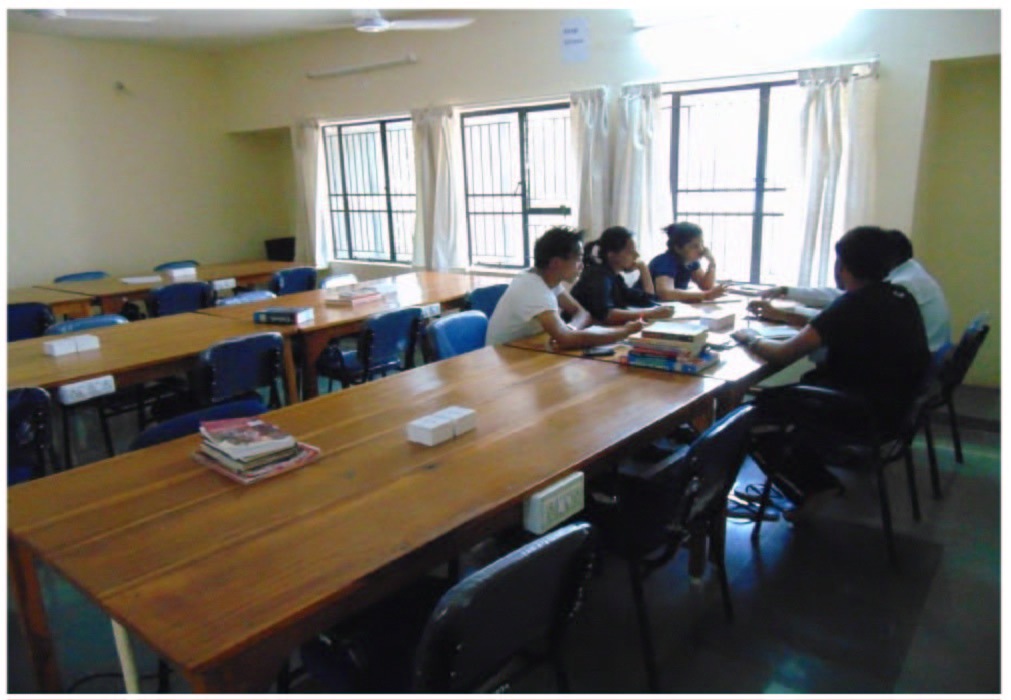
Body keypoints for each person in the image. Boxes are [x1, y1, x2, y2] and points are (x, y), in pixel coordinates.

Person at [731, 226, 931, 518]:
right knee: (782, 399)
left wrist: (749, 337)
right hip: (897, 411)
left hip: (859, 412)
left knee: (749, 417)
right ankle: (809, 479)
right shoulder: (900, 296)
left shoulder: (854, 304)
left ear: (843, 266)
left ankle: (813, 488)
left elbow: (783, 353)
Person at [758, 228, 951, 352]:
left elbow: (839, 316)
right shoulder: (905, 279)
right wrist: (787, 292)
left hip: (876, 386)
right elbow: (842, 300)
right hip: (900, 377)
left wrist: (786, 314)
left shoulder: (901, 287)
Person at [486, 226, 647, 349]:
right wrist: (625, 332)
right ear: (556, 263)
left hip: (527, 350)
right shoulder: (534, 289)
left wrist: (570, 328)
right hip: (502, 359)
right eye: (578, 260)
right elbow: (566, 340)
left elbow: (581, 312)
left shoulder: (548, 280)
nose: (582, 266)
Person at [570, 226, 675, 326]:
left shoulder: (614, 277)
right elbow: (606, 315)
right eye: (630, 251)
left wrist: (643, 268)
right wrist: (650, 314)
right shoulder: (598, 277)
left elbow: (647, 300)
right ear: (612, 254)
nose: (637, 255)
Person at [648, 222, 728, 302]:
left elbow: (706, 287)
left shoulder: (690, 263)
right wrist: (705, 296)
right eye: (695, 246)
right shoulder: (665, 262)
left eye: (701, 244)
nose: (701, 250)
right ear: (678, 248)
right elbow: (665, 294)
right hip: (650, 306)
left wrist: (712, 263)